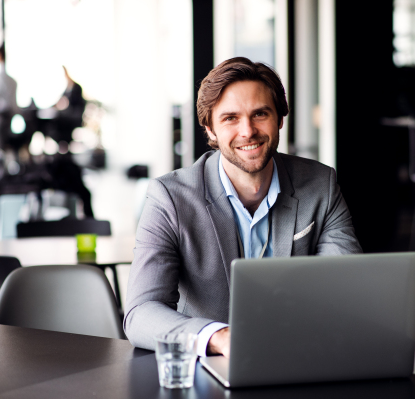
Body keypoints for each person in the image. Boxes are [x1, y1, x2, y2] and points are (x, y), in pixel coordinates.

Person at [124, 57, 361, 357]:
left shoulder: (319, 184)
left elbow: (346, 288)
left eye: (260, 114)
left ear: (280, 120)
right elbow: (141, 313)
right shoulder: (169, 198)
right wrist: (219, 337)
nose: (248, 131)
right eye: (230, 118)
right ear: (209, 129)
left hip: (298, 357)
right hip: (207, 368)